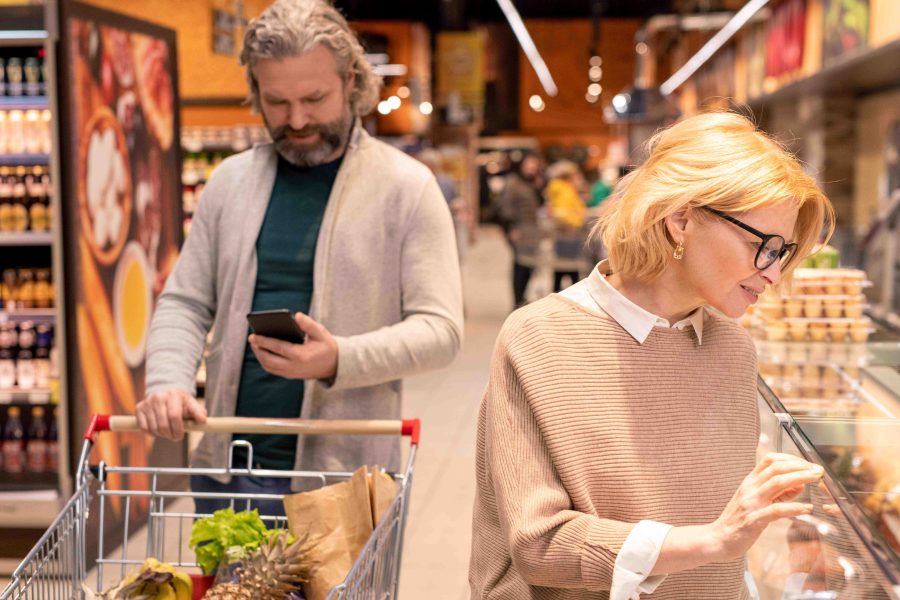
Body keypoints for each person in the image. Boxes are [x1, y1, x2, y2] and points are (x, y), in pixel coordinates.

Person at [469, 111, 836, 599]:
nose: (773, 273)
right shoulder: (541, 338)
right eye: (762, 245)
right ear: (681, 219)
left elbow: (721, 533)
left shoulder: (733, 349)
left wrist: (788, 514)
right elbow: (540, 546)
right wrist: (712, 540)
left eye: (785, 251)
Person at [139, 0, 463, 514]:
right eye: (277, 102)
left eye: (314, 99)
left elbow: (440, 330)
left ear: (350, 81)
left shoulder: (406, 187)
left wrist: (339, 358)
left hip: (341, 483)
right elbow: (184, 301)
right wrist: (168, 383)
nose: (297, 120)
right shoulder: (230, 182)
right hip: (229, 468)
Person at [494, 153, 544, 308]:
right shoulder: (513, 183)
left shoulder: (532, 183)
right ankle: (517, 299)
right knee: (520, 265)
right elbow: (506, 206)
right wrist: (511, 228)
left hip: (532, 231)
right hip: (519, 230)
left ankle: (522, 296)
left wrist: (538, 185)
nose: (531, 168)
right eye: (529, 165)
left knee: (529, 265)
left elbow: (540, 203)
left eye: (534, 166)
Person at [545, 160, 587, 291]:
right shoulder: (563, 189)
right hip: (567, 233)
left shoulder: (565, 188)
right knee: (568, 269)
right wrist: (578, 220)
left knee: (562, 270)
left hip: (565, 234)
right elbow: (562, 213)